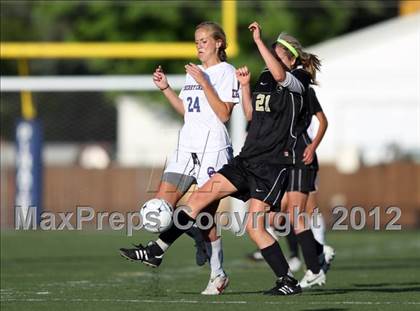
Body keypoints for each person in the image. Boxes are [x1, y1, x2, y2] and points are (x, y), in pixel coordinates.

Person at [120, 21, 321, 296]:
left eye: (277, 54)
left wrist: (259, 43)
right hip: (246, 158)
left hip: (271, 164)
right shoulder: (264, 78)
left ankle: (288, 279)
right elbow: (250, 115)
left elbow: (271, 83)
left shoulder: (299, 81)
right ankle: (156, 251)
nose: (271, 58)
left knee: (255, 227)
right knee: (199, 199)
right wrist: (246, 86)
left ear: (291, 59)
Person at [120, 21, 240, 295]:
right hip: (186, 147)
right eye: (196, 40)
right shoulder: (193, 73)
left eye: (204, 40)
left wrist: (204, 81)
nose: (199, 45)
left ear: (219, 42)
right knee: (160, 209)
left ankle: (217, 274)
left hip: (213, 149)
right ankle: (184, 239)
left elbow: (223, 114)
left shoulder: (226, 72)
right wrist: (165, 89)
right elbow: (187, 112)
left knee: (205, 215)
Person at [247, 88, 336, 288]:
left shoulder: (302, 90)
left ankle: (313, 266)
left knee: (299, 213)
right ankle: (318, 252)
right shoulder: (274, 91)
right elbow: (252, 117)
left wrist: (312, 147)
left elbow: (322, 121)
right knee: (278, 214)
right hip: (282, 159)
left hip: (300, 158)